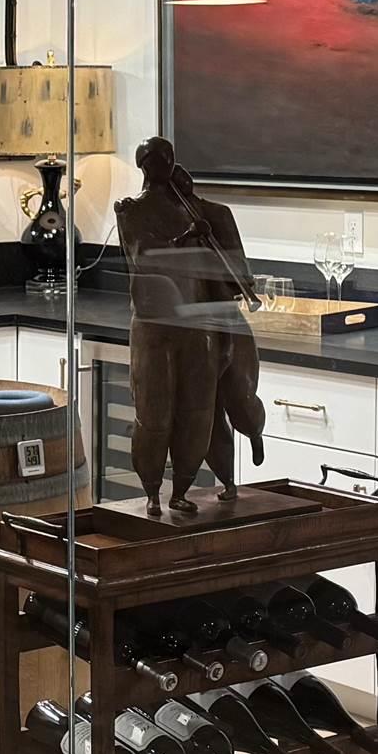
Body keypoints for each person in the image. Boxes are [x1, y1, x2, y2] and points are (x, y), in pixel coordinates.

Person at [110, 137, 266, 514]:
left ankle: (181, 490)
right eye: (154, 161)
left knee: (199, 413)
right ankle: (151, 492)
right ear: (145, 166)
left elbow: (234, 274)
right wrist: (186, 238)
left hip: (200, 325)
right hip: (155, 326)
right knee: (155, 415)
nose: (161, 167)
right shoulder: (132, 210)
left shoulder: (205, 211)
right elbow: (144, 254)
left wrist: (211, 242)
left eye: (166, 160)